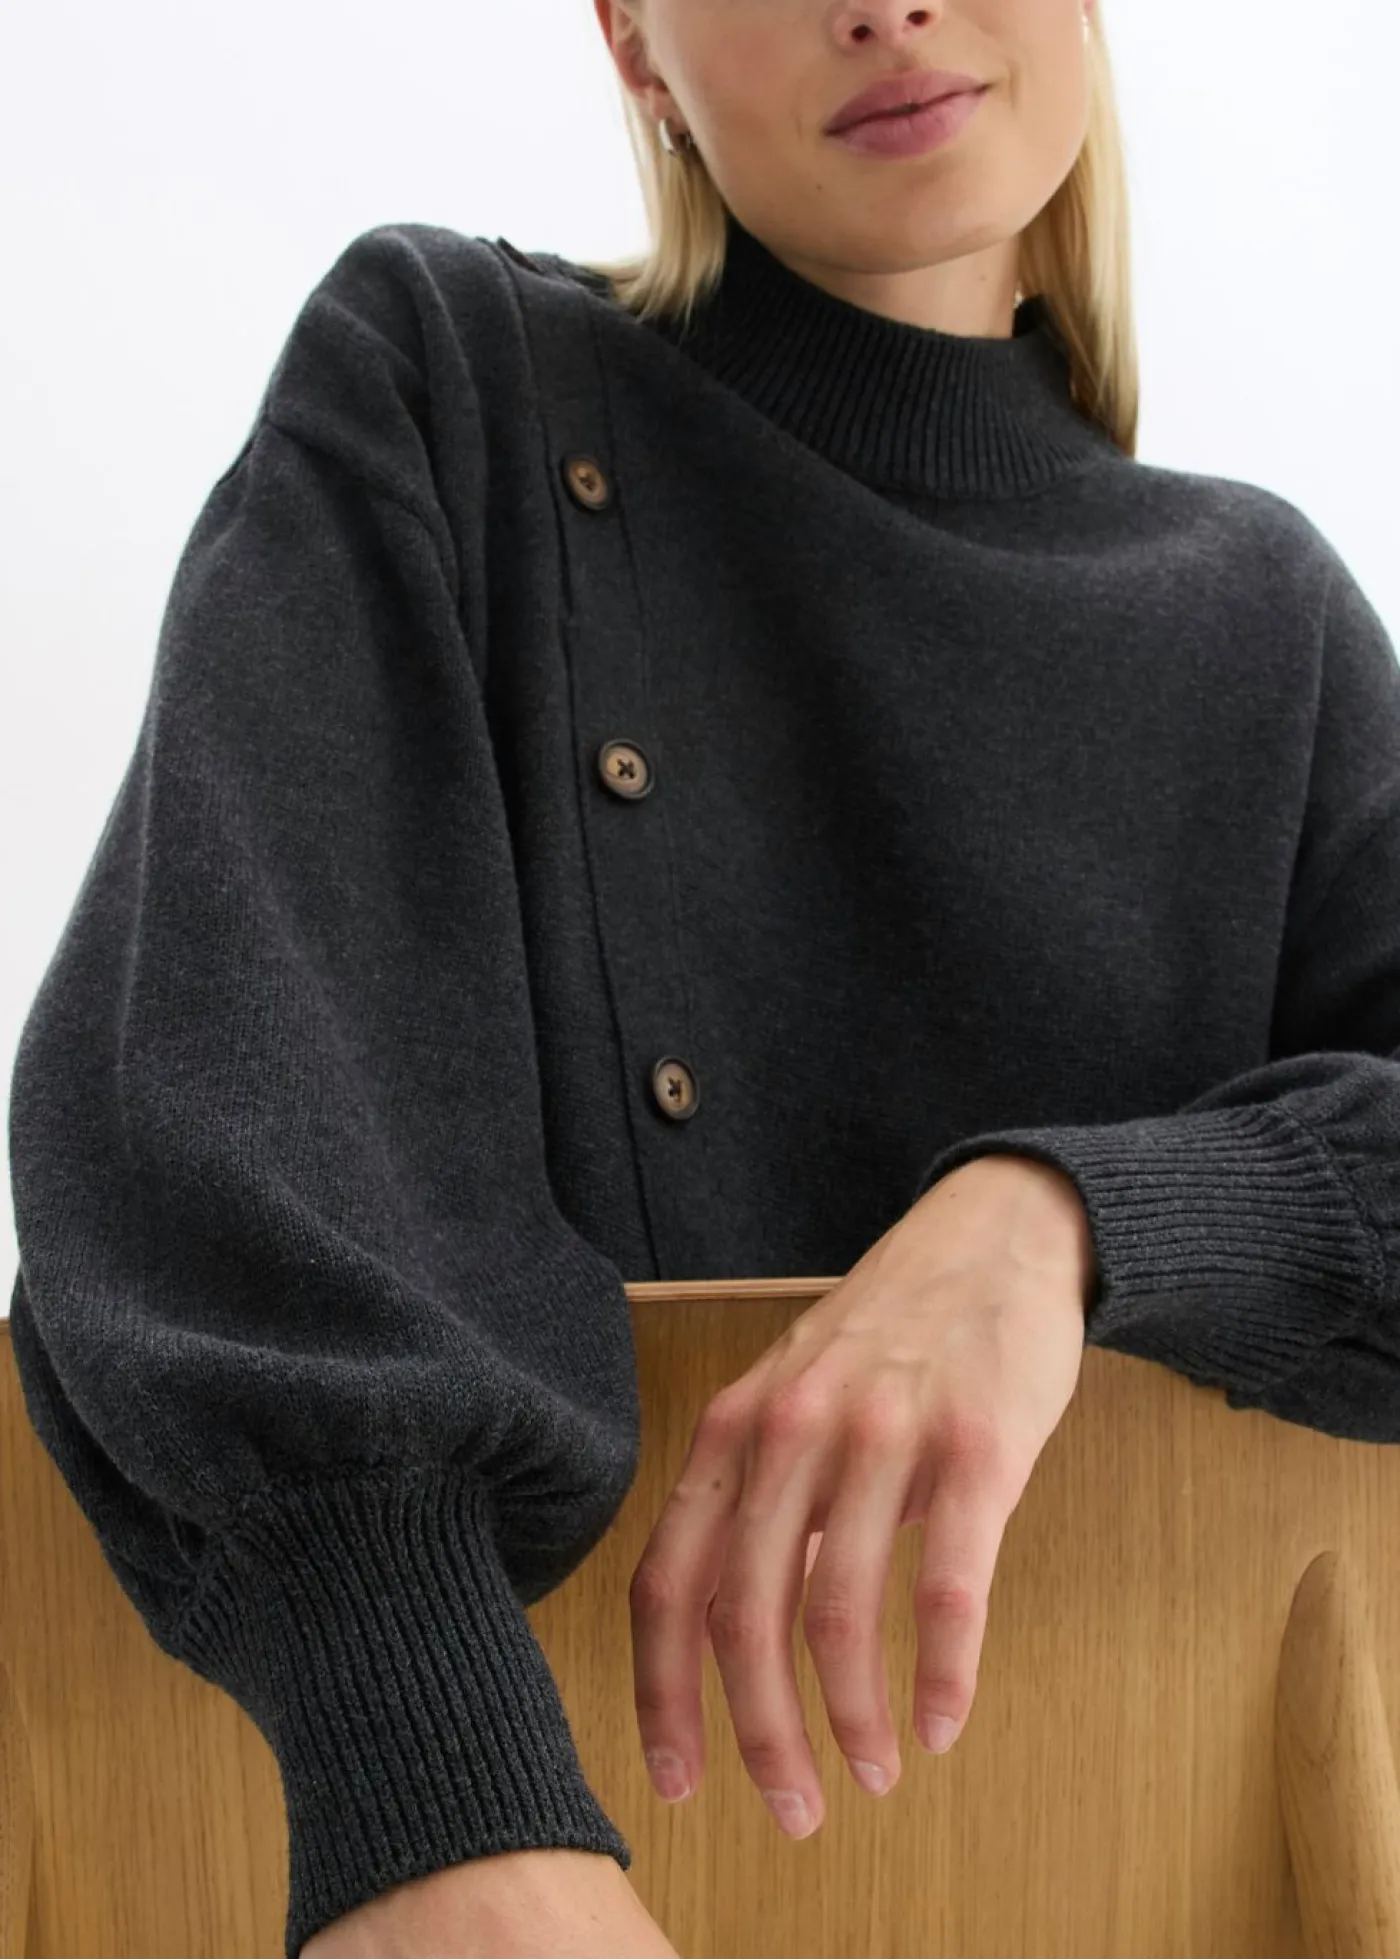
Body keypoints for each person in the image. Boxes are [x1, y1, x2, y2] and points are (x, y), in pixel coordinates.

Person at [10, 0, 1400, 1954]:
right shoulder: (449, 383)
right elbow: (206, 1095)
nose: (882, 3)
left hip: (1170, 1875)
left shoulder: (1268, 614)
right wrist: (429, 1797)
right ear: (634, 46)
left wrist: (1059, 1222)